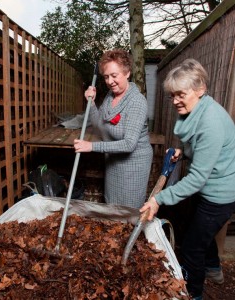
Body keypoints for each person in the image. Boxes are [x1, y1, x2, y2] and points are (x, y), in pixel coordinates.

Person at [140, 58, 235, 300]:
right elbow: (205, 152)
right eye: (172, 95)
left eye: (180, 94)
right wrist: (185, 153)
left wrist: (159, 199)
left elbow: (197, 179)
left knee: (192, 247)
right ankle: (214, 270)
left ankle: (193, 294)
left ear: (200, 89)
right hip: (210, 189)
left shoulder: (210, 122)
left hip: (220, 195)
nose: (174, 101)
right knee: (199, 229)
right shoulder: (199, 111)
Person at [74, 49, 153, 208]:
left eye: (114, 76)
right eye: (106, 77)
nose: (110, 81)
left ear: (127, 73)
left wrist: (91, 147)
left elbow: (129, 144)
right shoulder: (110, 97)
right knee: (112, 206)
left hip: (133, 166)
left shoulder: (137, 102)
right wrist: (91, 103)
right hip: (113, 162)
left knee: (128, 210)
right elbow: (99, 125)